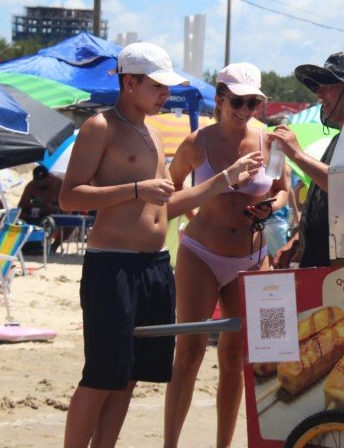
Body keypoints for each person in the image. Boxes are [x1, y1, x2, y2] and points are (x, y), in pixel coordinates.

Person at [60, 43, 263, 448]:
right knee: (101, 375)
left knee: (129, 376)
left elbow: (167, 206)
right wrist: (135, 188)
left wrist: (225, 180)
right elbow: (69, 198)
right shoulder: (101, 126)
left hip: (153, 264)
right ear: (130, 82)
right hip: (113, 263)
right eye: (157, 86)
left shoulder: (152, 131)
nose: (165, 95)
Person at [164, 62, 288, 448]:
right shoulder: (197, 142)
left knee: (235, 362)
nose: (246, 110)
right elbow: (170, 190)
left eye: (253, 102)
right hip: (202, 252)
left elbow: (283, 189)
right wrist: (193, 213)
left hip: (251, 257)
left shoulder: (269, 141)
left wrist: (270, 208)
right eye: (238, 101)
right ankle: (170, 444)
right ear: (219, 99)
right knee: (189, 353)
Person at [268, 52, 344, 268]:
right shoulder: (341, 138)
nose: (319, 95)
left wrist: (297, 154)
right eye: (318, 88)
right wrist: (298, 241)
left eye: (327, 86)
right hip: (323, 268)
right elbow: (323, 199)